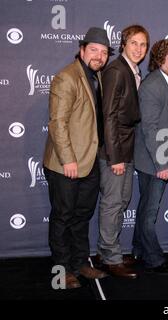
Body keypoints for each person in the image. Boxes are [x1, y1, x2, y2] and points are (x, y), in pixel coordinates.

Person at [43, 27, 111, 289]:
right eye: (94, 50)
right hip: (65, 162)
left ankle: (80, 262)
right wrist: (68, 159)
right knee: (63, 216)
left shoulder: (98, 76)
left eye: (104, 52)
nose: (99, 56)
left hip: (90, 159)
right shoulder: (67, 77)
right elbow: (58, 123)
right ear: (82, 50)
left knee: (82, 215)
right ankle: (61, 270)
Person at [95, 25, 149, 279]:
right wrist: (115, 157)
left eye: (143, 45)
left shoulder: (133, 70)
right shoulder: (116, 71)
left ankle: (107, 252)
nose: (139, 49)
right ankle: (111, 257)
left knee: (121, 200)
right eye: (134, 43)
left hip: (126, 147)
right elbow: (109, 117)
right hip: (114, 150)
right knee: (113, 202)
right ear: (124, 44)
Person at [133, 39, 168, 274]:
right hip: (154, 160)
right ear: (159, 61)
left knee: (146, 207)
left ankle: (138, 250)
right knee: (150, 212)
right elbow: (150, 129)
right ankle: (154, 259)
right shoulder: (153, 85)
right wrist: (162, 162)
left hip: (160, 156)